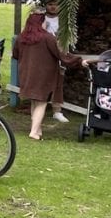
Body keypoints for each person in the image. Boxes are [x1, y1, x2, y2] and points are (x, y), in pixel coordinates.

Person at [13, 11, 88, 140]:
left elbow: (15, 55)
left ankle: (37, 129)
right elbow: (62, 55)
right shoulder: (47, 37)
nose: (46, 24)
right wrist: (79, 61)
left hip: (26, 74)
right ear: (41, 23)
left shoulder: (21, 38)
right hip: (43, 75)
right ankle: (34, 132)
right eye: (44, 22)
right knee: (42, 103)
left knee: (34, 102)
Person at [42, 0, 69, 124]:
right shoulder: (41, 19)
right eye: (50, 4)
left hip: (59, 53)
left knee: (58, 83)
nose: (53, 7)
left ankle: (57, 111)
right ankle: (39, 109)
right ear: (46, 5)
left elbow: (67, 37)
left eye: (56, 4)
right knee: (42, 82)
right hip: (44, 55)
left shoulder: (63, 20)